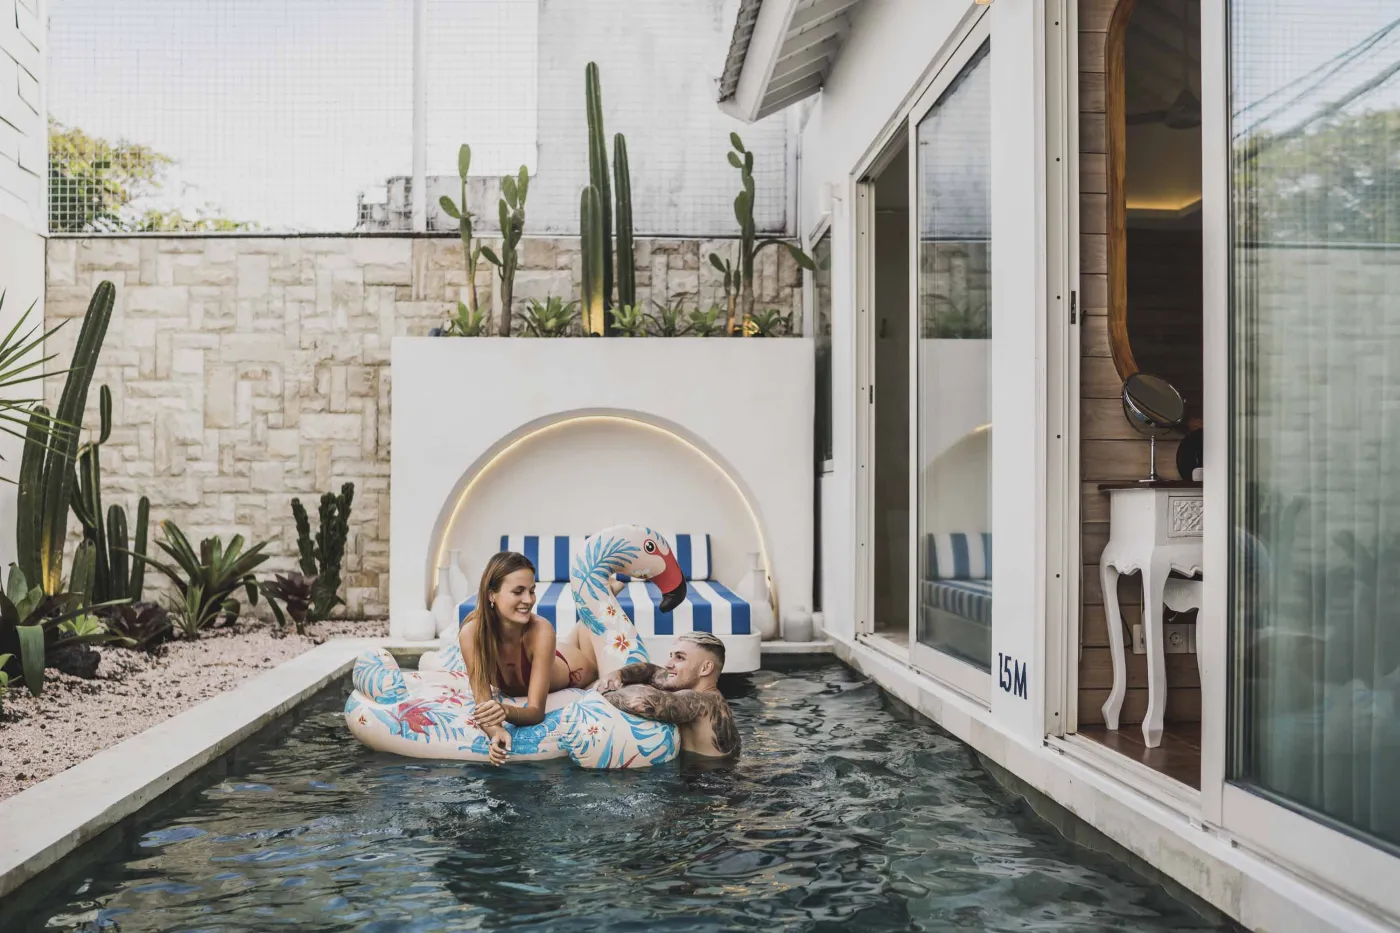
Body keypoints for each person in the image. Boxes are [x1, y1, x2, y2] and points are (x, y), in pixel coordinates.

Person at [459, 551, 598, 765]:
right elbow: (483, 701)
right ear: (491, 595)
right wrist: (495, 732)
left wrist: (504, 710)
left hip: (573, 667)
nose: (529, 600)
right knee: (565, 641)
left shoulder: (541, 629)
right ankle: (577, 630)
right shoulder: (471, 634)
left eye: (532, 591)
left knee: (591, 638)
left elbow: (535, 712)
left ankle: (593, 608)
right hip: (546, 653)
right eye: (518, 591)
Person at [597, 631, 740, 758]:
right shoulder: (708, 695)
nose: (668, 664)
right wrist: (619, 675)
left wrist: (605, 691)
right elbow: (652, 671)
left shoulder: (702, 702)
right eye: (671, 656)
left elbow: (641, 703)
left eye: (680, 658)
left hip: (707, 783)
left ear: (705, 668)